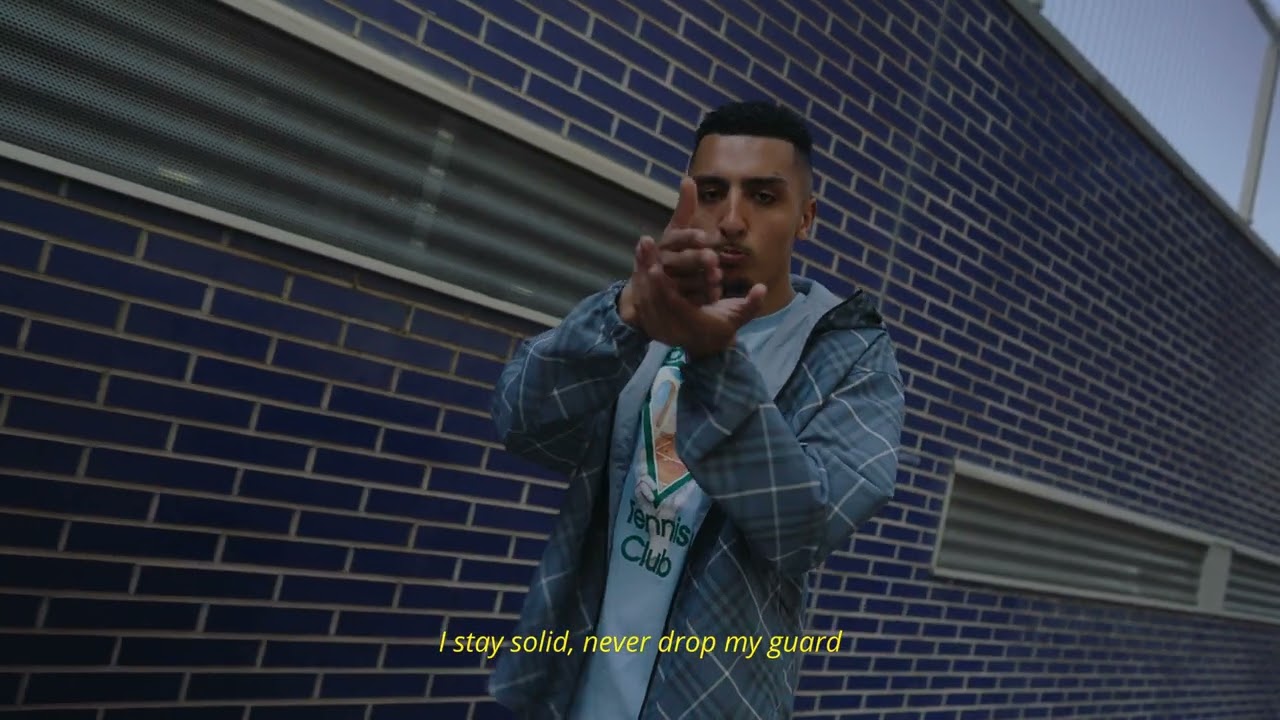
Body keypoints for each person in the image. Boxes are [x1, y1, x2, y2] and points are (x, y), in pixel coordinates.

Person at [488, 100, 906, 719]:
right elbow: (522, 421)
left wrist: (714, 362)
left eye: (763, 196)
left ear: (806, 217)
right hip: (568, 691)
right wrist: (623, 317)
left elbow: (807, 526)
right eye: (711, 193)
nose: (731, 219)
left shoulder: (850, 353)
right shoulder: (646, 312)